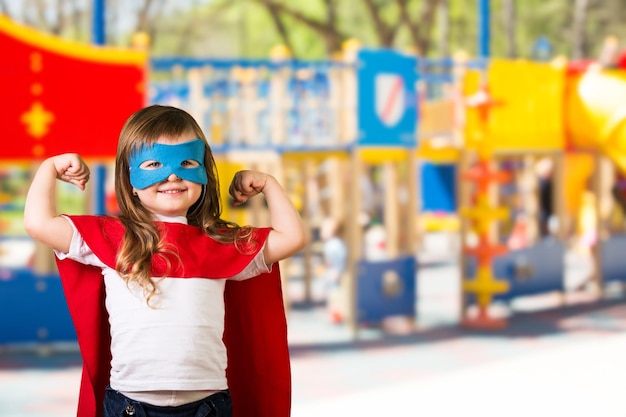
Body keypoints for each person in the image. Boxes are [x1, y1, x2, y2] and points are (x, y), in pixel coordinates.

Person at [23, 104, 306, 417]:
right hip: (130, 404)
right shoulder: (112, 238)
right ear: (130, 178)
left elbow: (292, 237)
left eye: (186, 162)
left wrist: (269, 184)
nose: (172, 174)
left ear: (203, 172)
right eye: (155, 163)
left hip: (207, 405)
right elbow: (39, 223)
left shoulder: (220, 243)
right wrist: (49, 168)